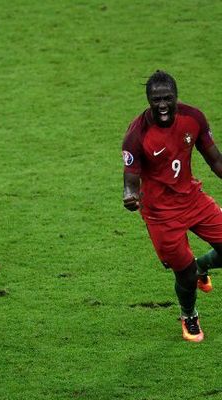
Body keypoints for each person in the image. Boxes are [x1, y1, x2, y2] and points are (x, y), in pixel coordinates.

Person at [122, 70, 222, 342]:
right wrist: (130, 197)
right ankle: (189, 315)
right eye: (157, 100)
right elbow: (130, 181)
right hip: (161, 214)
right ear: (148, 101)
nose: (163, 105)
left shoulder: (193, 118)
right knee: (185, 274)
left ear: (176, 97)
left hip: (193, 199)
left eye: (168, 98)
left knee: (198, 264)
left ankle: (203, 265)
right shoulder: (136, 135)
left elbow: (215, 160)